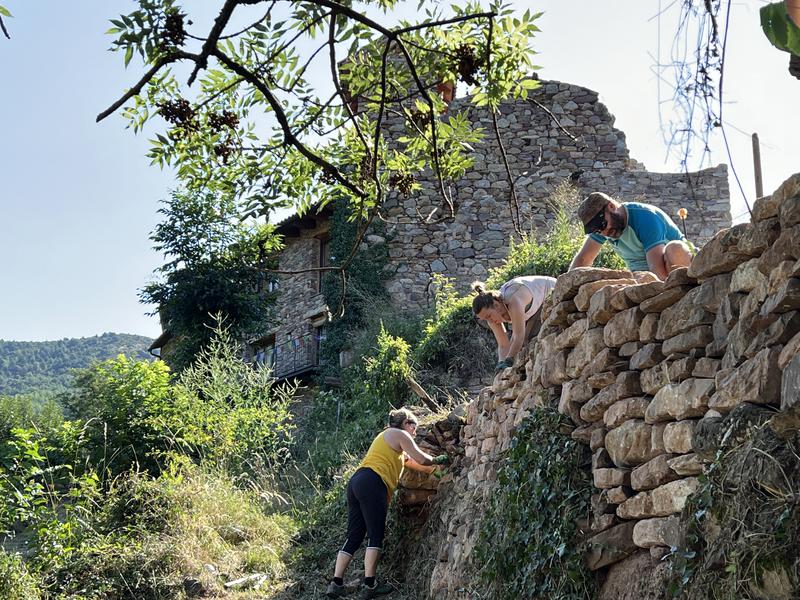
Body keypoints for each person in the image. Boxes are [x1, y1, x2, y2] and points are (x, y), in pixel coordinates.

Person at [326, 408, 448, 599]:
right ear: (407, 424)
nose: (415, 433)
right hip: (374, 483)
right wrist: (440, 460)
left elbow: (412, 462)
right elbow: (422, 458)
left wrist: (433, 471)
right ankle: (370, 585)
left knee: (355, 535)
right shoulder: (398, 433)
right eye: (414, 428)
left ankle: (336, 583)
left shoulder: (387, 439)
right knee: (376, 535)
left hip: (357, 482)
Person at [569, 192, 693, 280]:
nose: (603, 232)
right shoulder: (607, 229)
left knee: (675, 248)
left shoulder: (645, 218)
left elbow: (657, 270)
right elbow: (583, 259)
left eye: (602, 225)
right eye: (596, 230)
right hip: (643, 276)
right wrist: (562, 291)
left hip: (677, 266)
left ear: (611, 207)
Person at [472, 275, 556, 370]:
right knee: (522, 348)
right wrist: (500, 366)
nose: (490, 321)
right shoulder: (492, 317)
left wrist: (508, 361)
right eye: (485, 319)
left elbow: (518, 336)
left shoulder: (513, 300)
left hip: (552, 292)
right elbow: (504, 345)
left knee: (532, 339)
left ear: (496, 305)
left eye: (488, 316)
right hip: (532, 310)